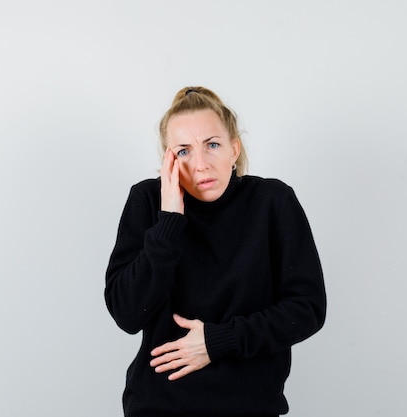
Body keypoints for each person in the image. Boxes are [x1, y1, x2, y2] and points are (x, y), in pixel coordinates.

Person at [105, 86, 326, 417]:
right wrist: (168, 222)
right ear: (167, 158)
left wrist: (218, 341)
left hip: (249, 407)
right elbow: (127, 314)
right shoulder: (148, 201)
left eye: (212, 145)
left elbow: (307, 309)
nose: (201, 164)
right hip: (159, 406)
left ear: (234, 149)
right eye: (183, 151)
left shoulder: (273, 202)